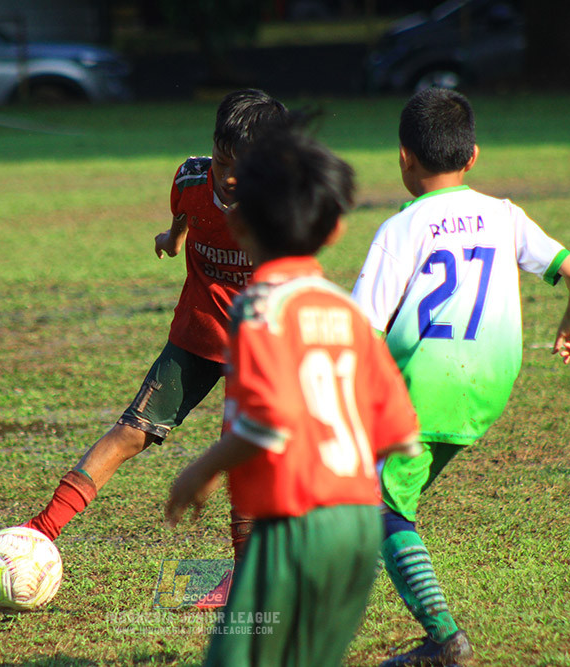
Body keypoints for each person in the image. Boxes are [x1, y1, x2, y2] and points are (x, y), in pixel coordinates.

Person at [352, 87, 570, 667]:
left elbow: (360, 331)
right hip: (488, 387)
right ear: (473, 156)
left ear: (403, 157)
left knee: (376, 508)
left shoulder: (400, 229)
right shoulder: (504, 215)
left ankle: (444, 640)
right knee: (384, 495)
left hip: (423, 387)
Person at [166, 126, 422, 667]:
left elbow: (268, 421)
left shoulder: (260, 309)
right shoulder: (348, 312)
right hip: (359, 530)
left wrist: (202, 469)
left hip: (293, 527)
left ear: (238, 222)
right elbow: (400, 430)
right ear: (335, 231)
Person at [23, 90, 290, 568]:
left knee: (241, 462)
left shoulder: (280, 206)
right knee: (131, 430)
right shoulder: (191, 176)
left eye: (244, 167)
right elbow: (186, 214)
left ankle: (248, 582)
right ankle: (38, 532)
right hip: (198, 332)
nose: (229, 176)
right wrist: (173, 239)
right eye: (224, 159)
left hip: (259, 348)